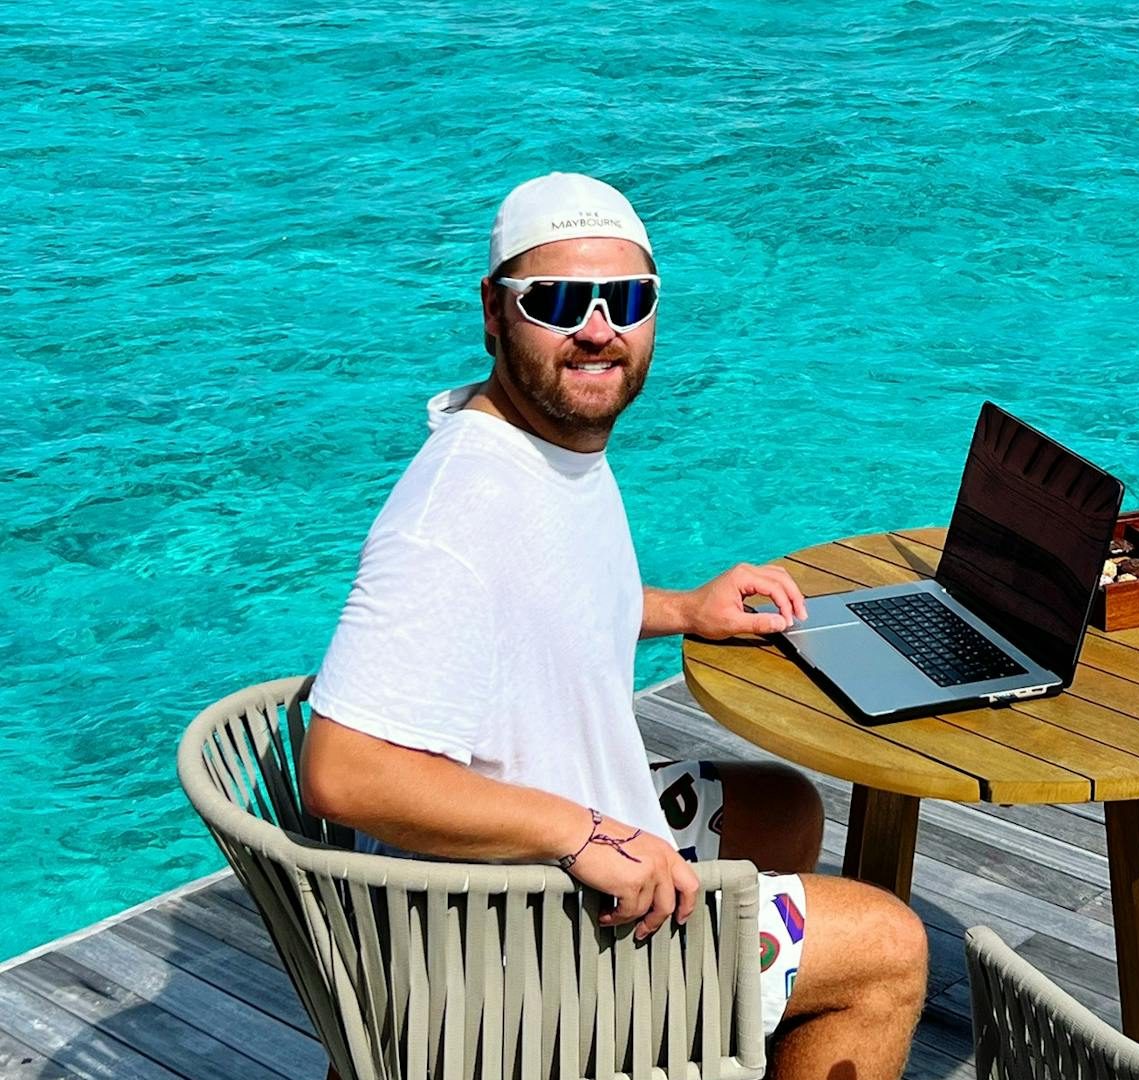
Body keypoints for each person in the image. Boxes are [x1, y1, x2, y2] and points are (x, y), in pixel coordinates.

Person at [298, 172, 927, 1079]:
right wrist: (582, 834)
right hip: (506, 948)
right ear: (494, 311)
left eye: (625, 300)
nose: (598, 329)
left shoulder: (541, 450)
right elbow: (343, 770)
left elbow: (540, 600)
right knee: (886, 949)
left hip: (535, 873)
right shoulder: (455, 514)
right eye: (556, 302)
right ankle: (632, 1029)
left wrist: (681, 611)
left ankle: (689, 1044)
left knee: (778, 810)